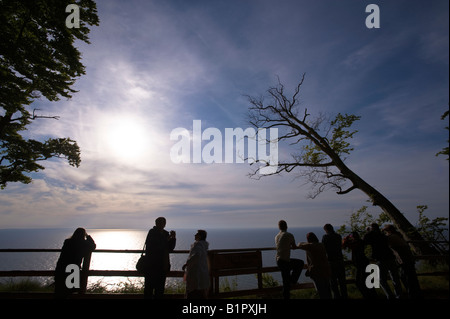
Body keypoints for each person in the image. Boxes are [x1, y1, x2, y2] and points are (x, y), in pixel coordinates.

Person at [363, 223, 402, 299]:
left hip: (381, 259)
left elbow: (365, 241)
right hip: (390, 257)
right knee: (395, 278)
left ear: (372, 228)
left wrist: (368, 231)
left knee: (381, 279)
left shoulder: (372, 235)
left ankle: (390, 295)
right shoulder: (383, 235)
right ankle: (398, 295)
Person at [54, 228, 96, 298]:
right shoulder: (84, 244)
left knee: (59, 291)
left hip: (61, 268)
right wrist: (88, 236)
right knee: (70, 292)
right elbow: (93, 246)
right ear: (83, 235)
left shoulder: (67, 242)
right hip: (74, 270)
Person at [383, 224, 422, 299]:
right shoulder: (397, 235)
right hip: (408, 259)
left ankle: (413, 295)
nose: (385, 233)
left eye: (386, 231)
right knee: (410, 277)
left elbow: (384, 239)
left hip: (405, 260)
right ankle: (416, 294)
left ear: (389, 231)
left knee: (407, 278)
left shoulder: (392, 237)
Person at [144, 217, 176, 299]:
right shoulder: (152, 233)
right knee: (149, 289)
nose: (162, 224)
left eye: (163, 223)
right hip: (151, 265)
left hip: (162, 266)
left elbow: (170, 248)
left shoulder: (165, 233)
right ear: (156, 223)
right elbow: (155, 246)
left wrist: (173, 238)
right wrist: (167, 239)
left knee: (160, 290)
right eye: (161, 222)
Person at [342, 231, 378, 299]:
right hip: (363, 262)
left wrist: (346, 239)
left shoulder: (357, 243)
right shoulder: (359, 241)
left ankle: (368, 295)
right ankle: (372, 295)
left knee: (359, 282)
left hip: (361, 263)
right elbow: (345, 246)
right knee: (366, 280)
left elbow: (345, 246)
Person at [275, 220, 304, 299]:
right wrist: (300, 245)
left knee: (285, 281)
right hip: (285, 261)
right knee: (300, 263)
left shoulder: (277, 236)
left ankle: (290, 284)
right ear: (286, 226)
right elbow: (294, 247)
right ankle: (293, 281)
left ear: (279, 227)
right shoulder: (289, 235)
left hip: (278, 260)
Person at [298, 232, 332, 299]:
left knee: (321, 291)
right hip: (326, 269)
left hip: (316, 271)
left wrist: (307, 243)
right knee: (327, 289)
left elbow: (299, 244)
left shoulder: (310, 246)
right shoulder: (321, 245)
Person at [322, 223, 348, 299]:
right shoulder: (338, 236)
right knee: (342, 281)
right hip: (340, 260)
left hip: (331, 261)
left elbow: (324, 248)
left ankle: (336, 297)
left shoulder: (325, 237)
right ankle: (345, 296)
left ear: (326, 230)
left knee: (333, 282)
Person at [182, 230, 210, 299]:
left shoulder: (198, 245)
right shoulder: (204, 245)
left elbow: (197, 255)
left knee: (193, 292)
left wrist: (187, 263)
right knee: (200, 292)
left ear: (200, 236)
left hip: (195, 273)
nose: (195, 235)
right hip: (202, 273)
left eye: (196, 234)